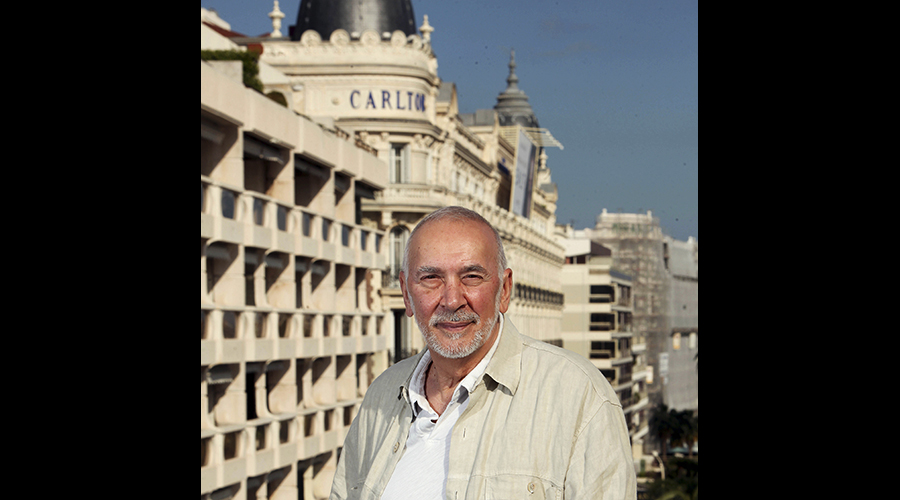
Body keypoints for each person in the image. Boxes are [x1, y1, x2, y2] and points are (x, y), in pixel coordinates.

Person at [330, 207, 637, 500]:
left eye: (472, 277)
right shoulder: (382, 395)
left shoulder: (578, 395)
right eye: (431, 278)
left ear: (504, 290)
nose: (452, 300)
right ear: (406, 295)